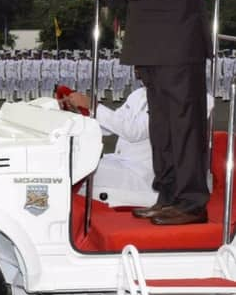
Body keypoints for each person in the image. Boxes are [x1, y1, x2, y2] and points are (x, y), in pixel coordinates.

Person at [84, 0, 210, 226]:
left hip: (177, 42)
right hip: (154, 44)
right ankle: (168, 195)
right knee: (163, 127)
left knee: (183, 125)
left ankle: (191, 203)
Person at [62, 83, 214, 209]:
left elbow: (135, 132)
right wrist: (79, 114)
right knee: (70, 163)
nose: (136, 70)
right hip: (121, 162)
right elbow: (113, 125)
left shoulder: (185, 98)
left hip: (144, 173)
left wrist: (93, 106)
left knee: (72, 170)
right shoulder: (138, 94)